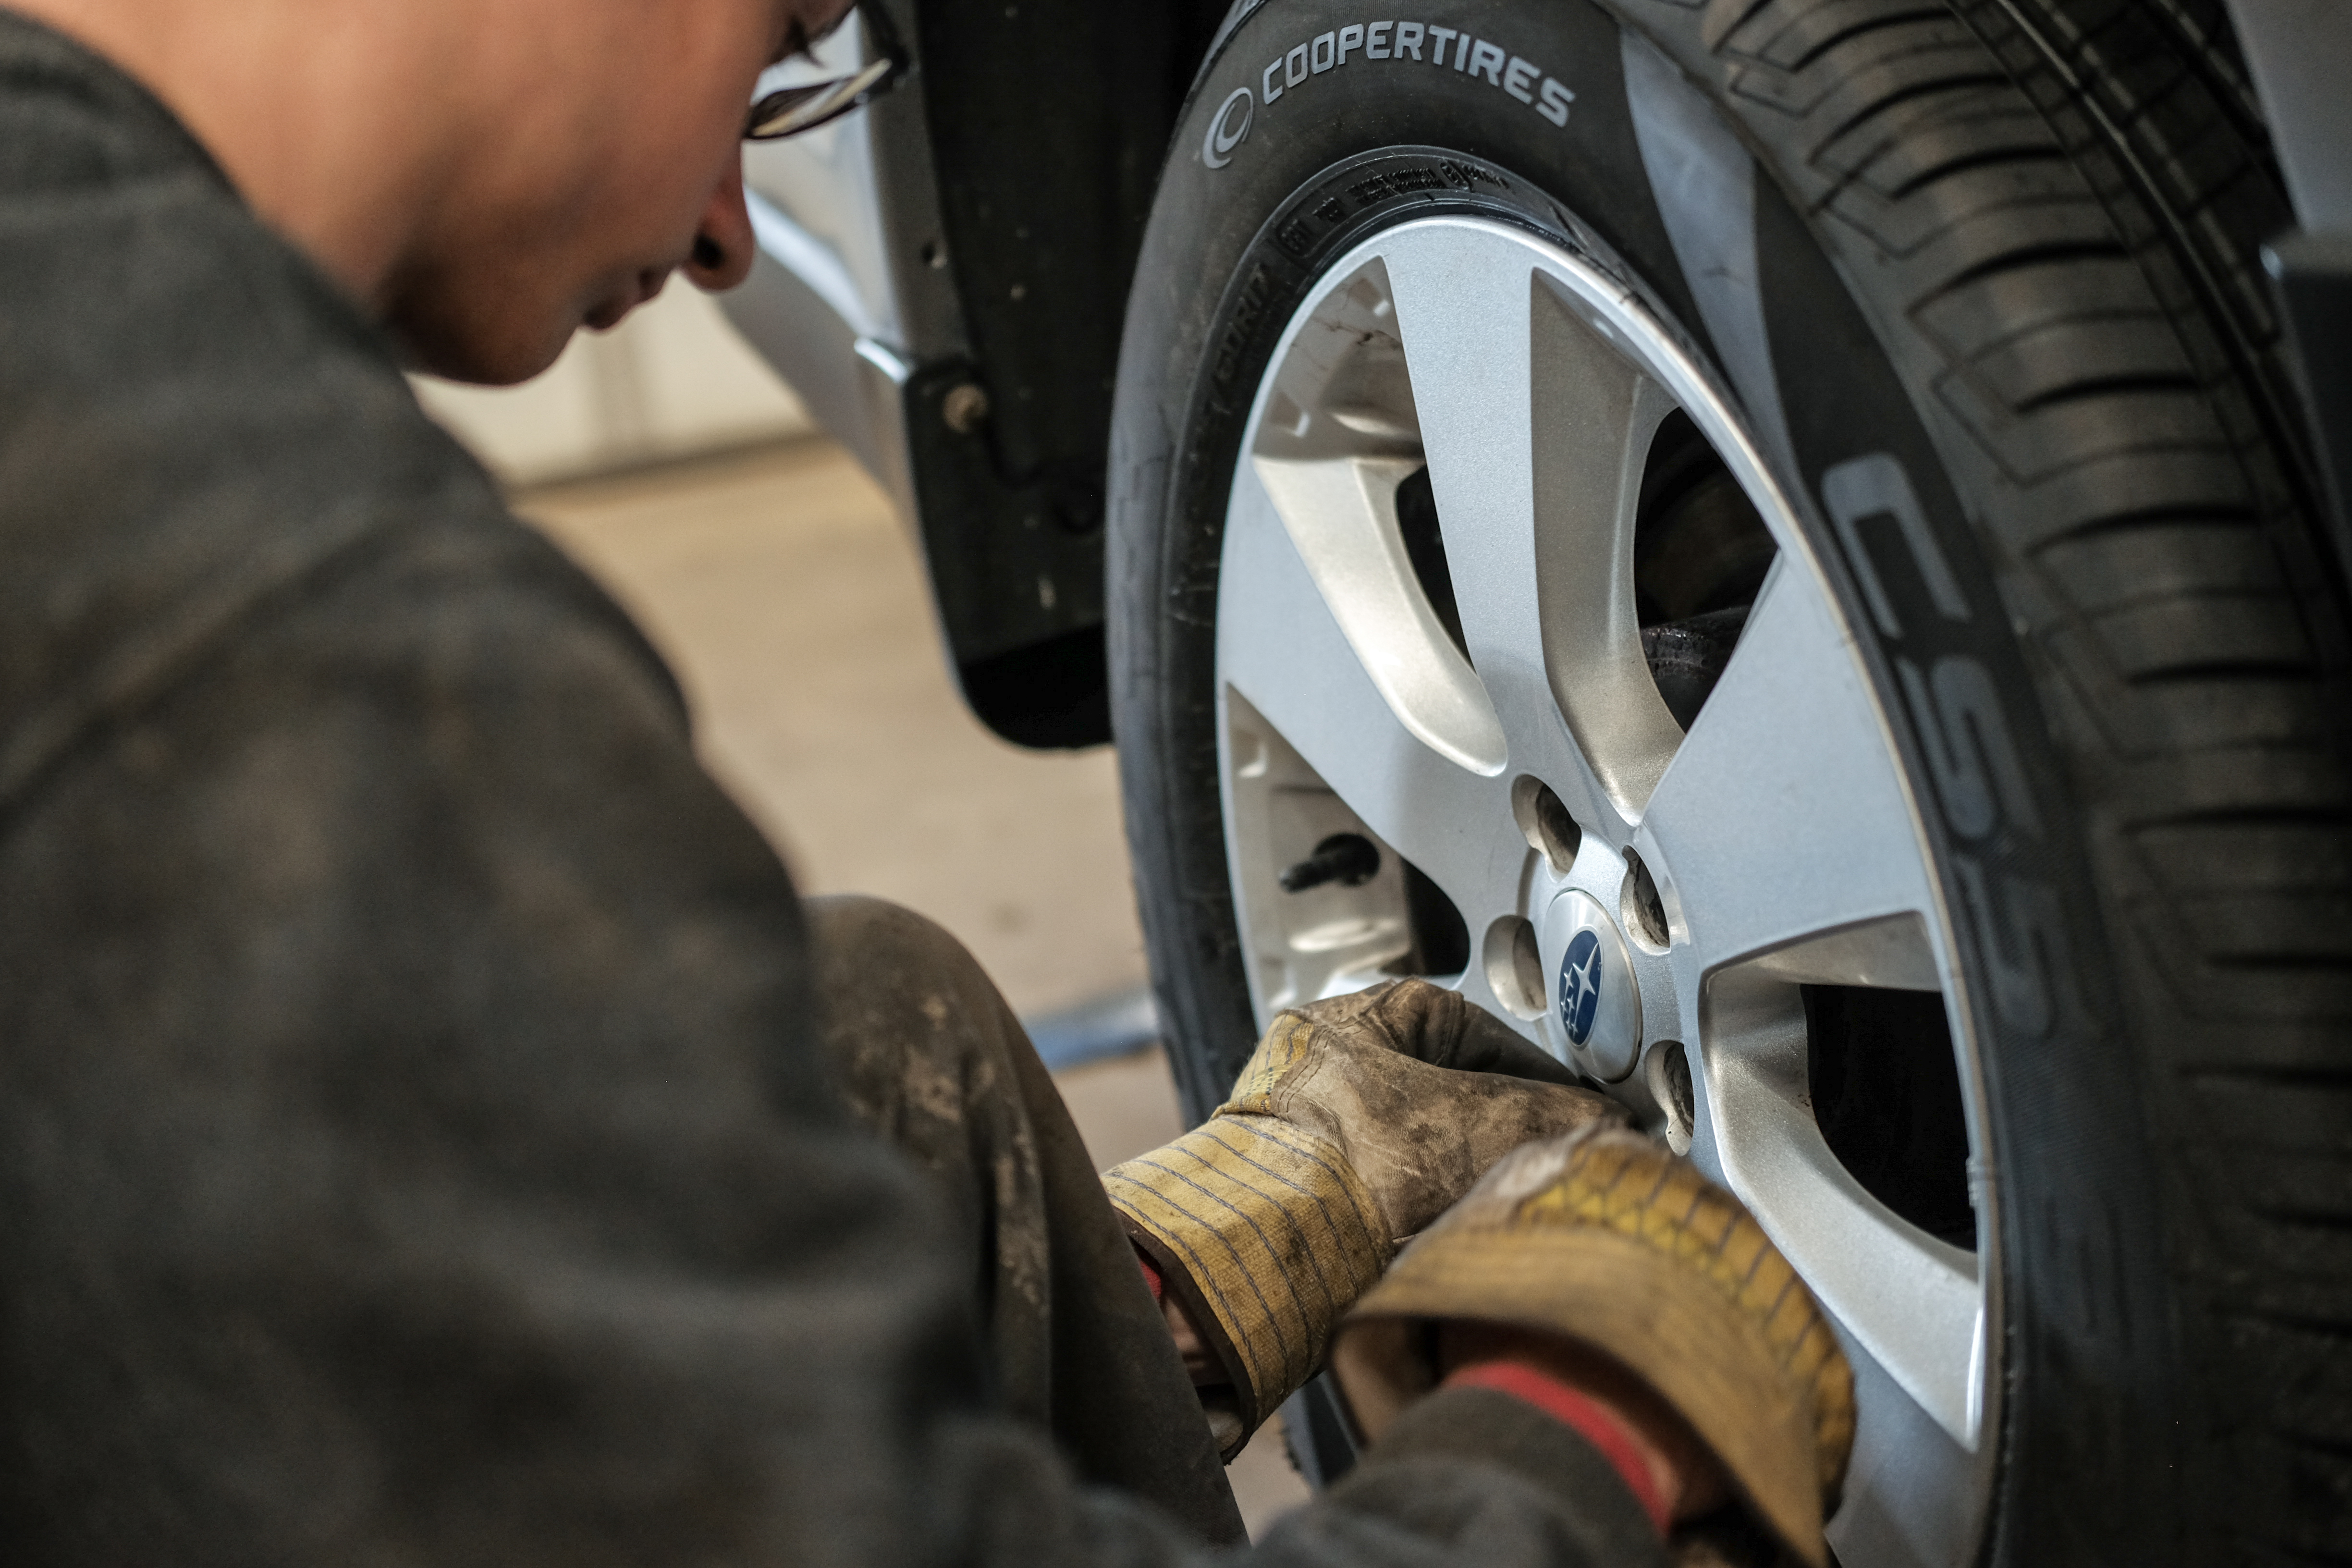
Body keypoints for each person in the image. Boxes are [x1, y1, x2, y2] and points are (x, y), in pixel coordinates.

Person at [0, 0, 1853, 1563]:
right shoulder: (285, 657)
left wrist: (1144, 1309)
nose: (729, 230)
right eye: (786, 39)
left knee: (888, 1033)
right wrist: (1580, 1437)